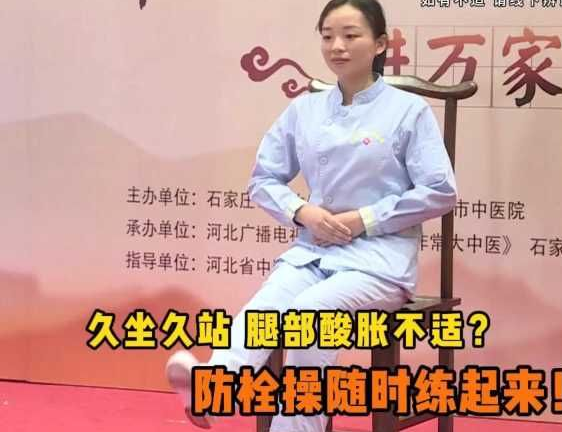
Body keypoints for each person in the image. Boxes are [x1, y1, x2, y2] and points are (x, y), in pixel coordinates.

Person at [165, 0, 457, 430]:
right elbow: (263, 179)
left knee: (309, 315)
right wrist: (303, 212)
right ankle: (212, 387)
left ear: (380, 43)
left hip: (379, 260)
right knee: (265, 309)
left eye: (350, 35)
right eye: (327, 36)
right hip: (314, 251)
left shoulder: (408, 111)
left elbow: (440, 191)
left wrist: (364, 219)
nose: (337, 46)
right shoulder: (305, 109)